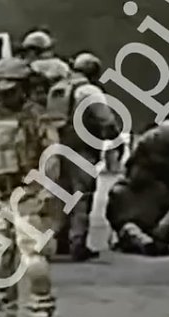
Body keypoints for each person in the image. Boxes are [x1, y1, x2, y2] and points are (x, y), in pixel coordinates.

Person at [0, 56, 64, 317]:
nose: (5, 94)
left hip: (27, 195)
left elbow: (52, 156)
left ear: (23, 87)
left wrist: (44, 191)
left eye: (11, 88)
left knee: (34, 261)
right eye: (0, 88)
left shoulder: (37, 117)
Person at [46, 52, 121, 261]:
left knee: (60, 195)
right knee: (81, 196)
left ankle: (58, 241)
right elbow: (106, 120)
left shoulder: (57, 89)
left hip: (56, 147)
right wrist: (114, 138)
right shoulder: (89, 91)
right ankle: (77, 242)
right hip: (81, 149)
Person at [107, 120, 169, 255]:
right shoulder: (163, 184)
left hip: (143, 216)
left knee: (130, 227)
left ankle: (144, 239)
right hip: (154, 217)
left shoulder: (124, 188)